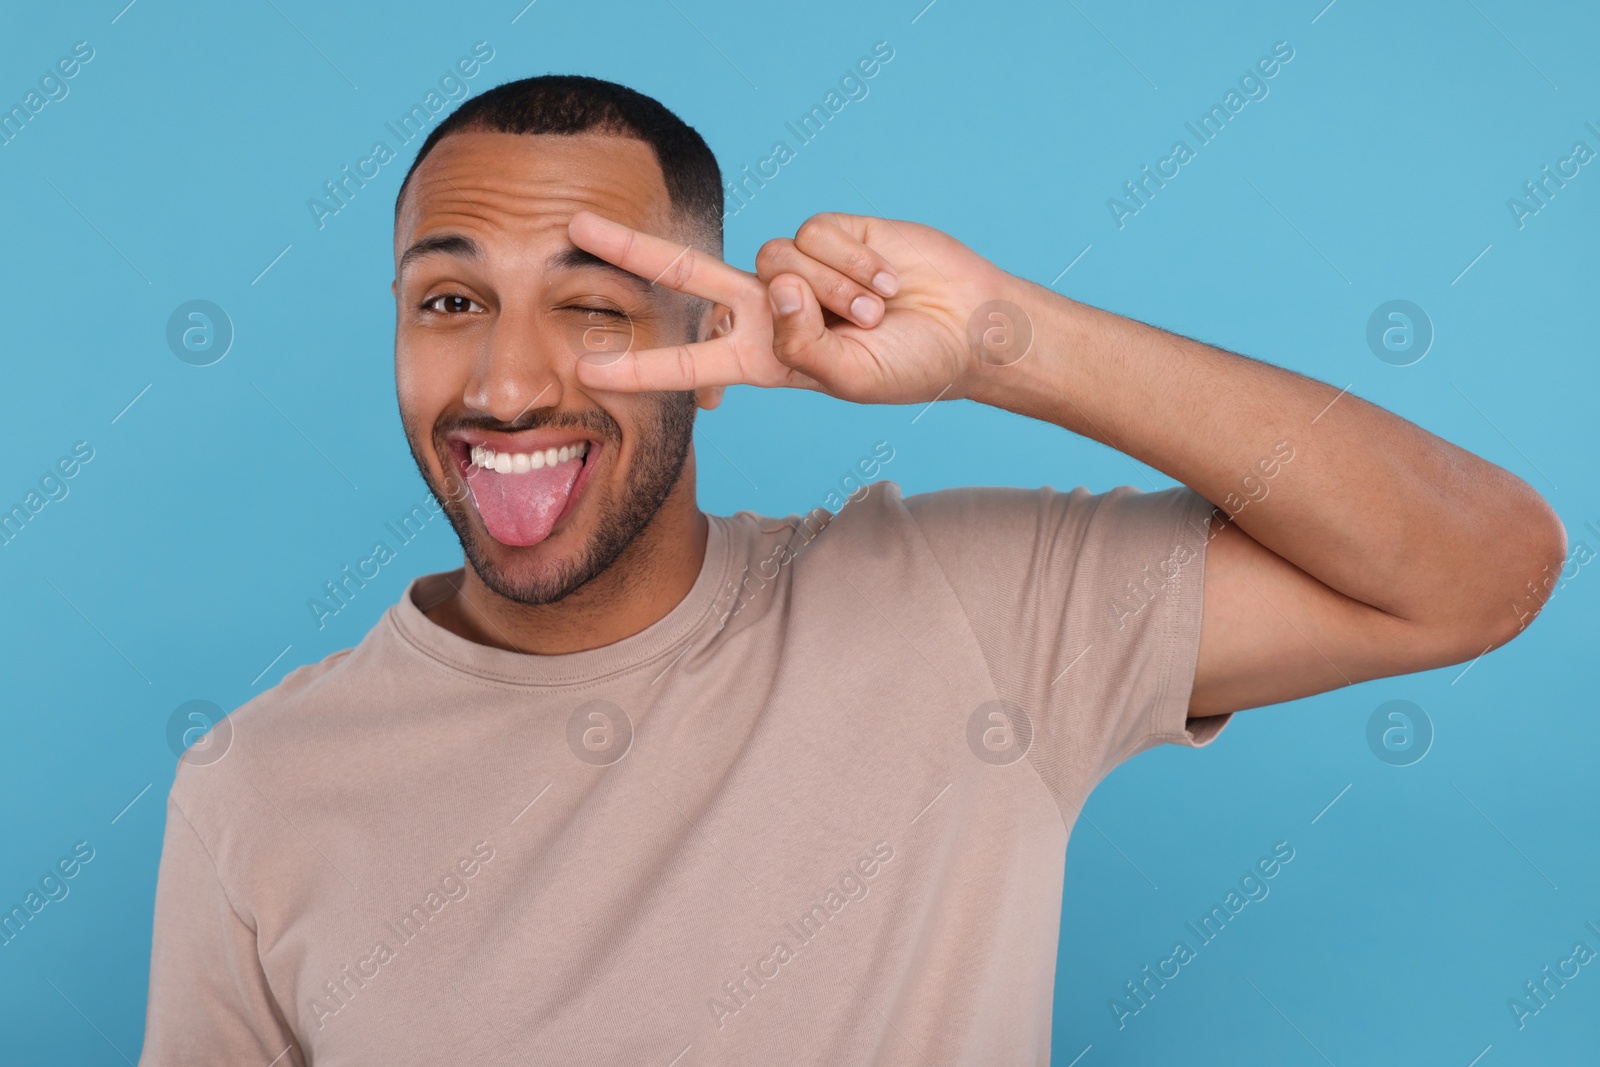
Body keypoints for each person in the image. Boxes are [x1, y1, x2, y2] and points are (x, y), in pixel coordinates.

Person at [138, 74, 1563, 1065]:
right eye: (449, 302)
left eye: (591, 306)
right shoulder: (255, 785)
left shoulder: (970, 619)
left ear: (715, 356)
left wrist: (1010, 337)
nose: (507, 385)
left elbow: (1479, 568)